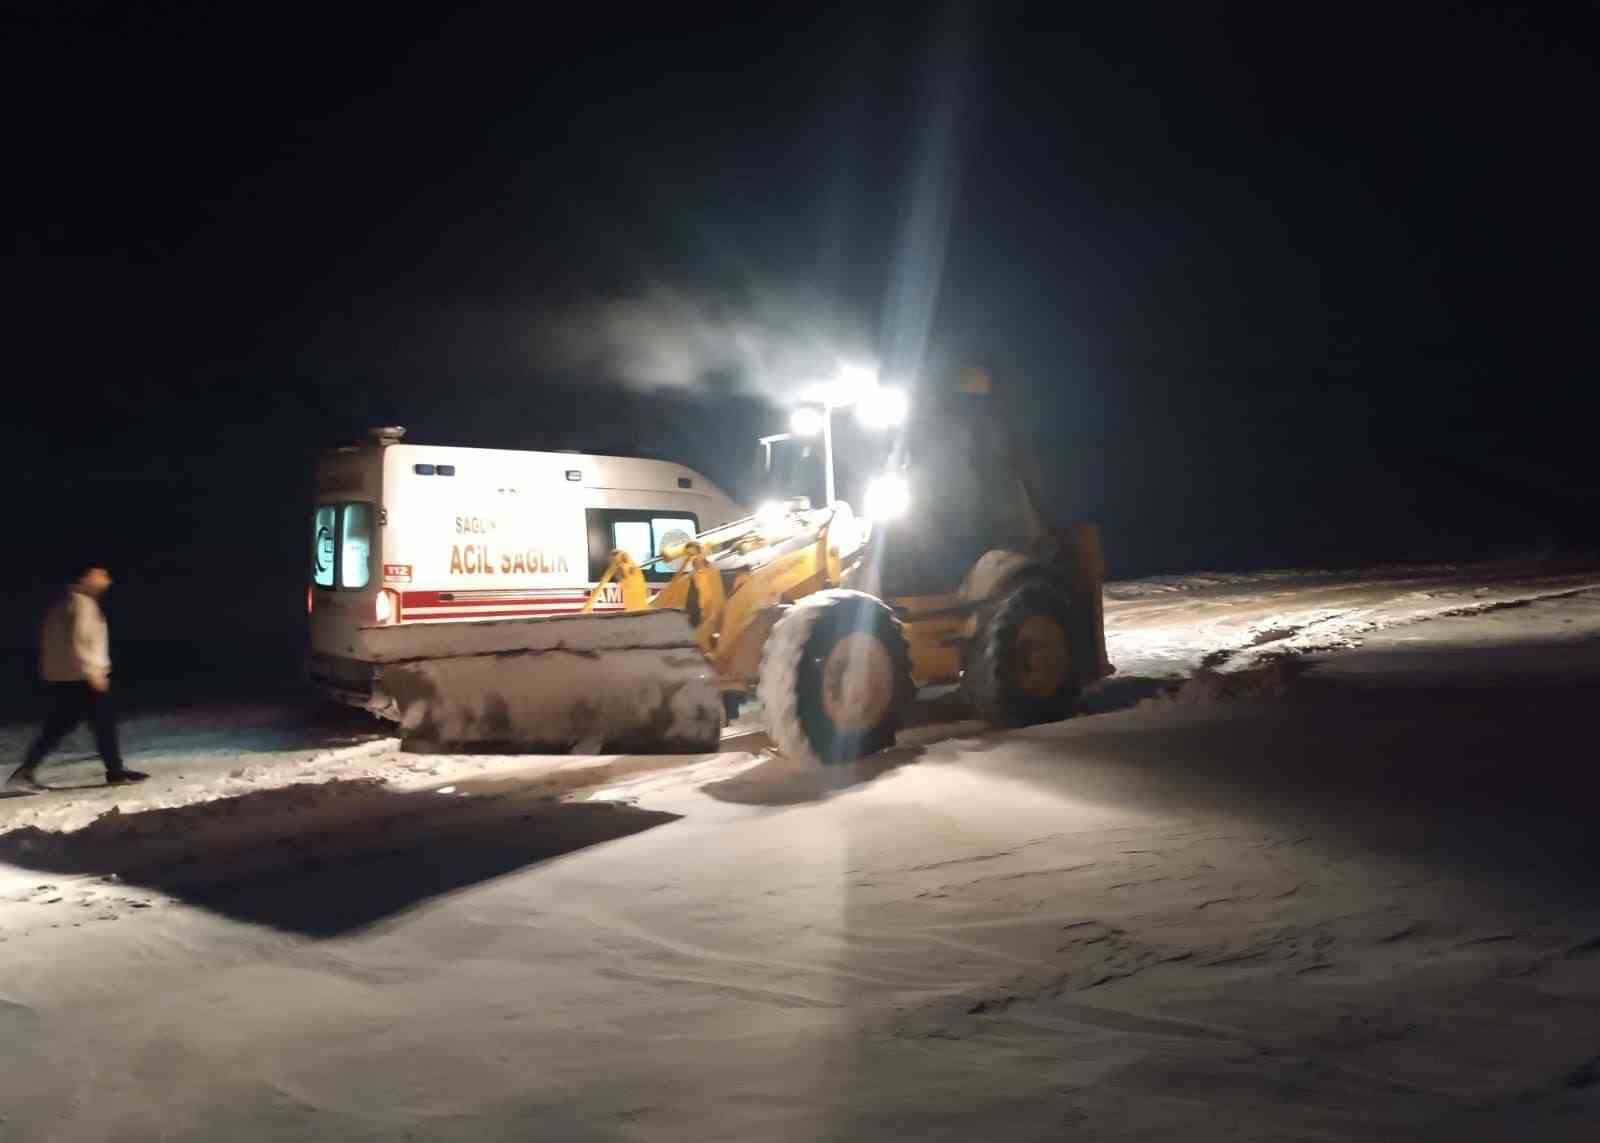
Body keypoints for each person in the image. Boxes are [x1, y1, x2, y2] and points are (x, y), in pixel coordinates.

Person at [6, 565, 148, 792]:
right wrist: (93, 671)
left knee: (83, 724)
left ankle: (114, 770)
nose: (106, 581)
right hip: (82, 677)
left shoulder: (63, 602)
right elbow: (79, 640)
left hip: (66, 676)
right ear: (86, 577)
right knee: (86, 724)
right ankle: (113, 771)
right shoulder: (82, 604)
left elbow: (55, 643)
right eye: (101, 575)